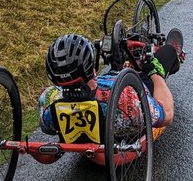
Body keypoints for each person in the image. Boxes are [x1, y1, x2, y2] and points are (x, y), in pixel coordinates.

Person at [39, 31, 184, 136]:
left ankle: (125, 64)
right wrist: (155, 74)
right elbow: (167, 114)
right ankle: (173, 57)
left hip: (107, 88)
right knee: (166, 53)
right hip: (124, 93)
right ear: (92, 70)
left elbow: (48, 133)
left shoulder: (49, 97)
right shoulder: (127, 99)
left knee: (119, 68)